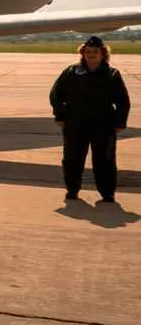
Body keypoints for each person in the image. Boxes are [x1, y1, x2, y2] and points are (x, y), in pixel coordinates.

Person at [50, 35, 130, 203]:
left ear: (103, 54)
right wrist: (60, 115)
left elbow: (123, 101)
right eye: (87, 51)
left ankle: (107, 193)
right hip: (75, 122)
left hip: (103, 123)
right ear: (82, 53)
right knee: (72, 158)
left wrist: (120, 122)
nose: (91, 54)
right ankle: (72, 190)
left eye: (95, 51)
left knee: (105, 159)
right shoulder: (71, 72)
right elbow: (56, 94)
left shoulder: (112, 74)